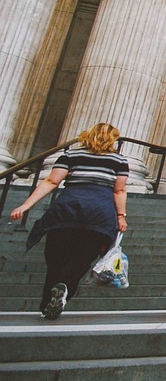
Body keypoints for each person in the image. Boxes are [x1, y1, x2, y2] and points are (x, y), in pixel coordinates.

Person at [10, 122, 129, 320]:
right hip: (99, 213)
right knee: (84, 256)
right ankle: (65, 286)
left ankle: (48, 299)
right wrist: (121, 216)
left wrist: (26, 205)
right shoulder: (119, 160)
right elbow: (119, 190)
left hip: (67, 209)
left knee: (56, 256)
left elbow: (51, 181)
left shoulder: (71, 155)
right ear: (113, 139)